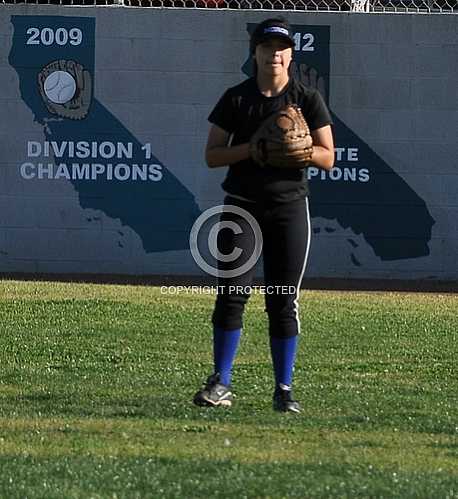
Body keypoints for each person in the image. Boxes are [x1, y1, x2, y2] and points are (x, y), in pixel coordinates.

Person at [193, 17, 335, 413]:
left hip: (289, 208)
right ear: (254, 53)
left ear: (291, 55)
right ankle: (221, 383)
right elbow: (212, 156)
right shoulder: (236, 99)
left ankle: (284, 390)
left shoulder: (307, 99)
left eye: (281, 48)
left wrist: (297, 149)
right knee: (231, 295)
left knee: (282, 300)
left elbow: (328, 157)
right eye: (266, 47)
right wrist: (252, 148)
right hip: (242, 206)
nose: (274, 54)